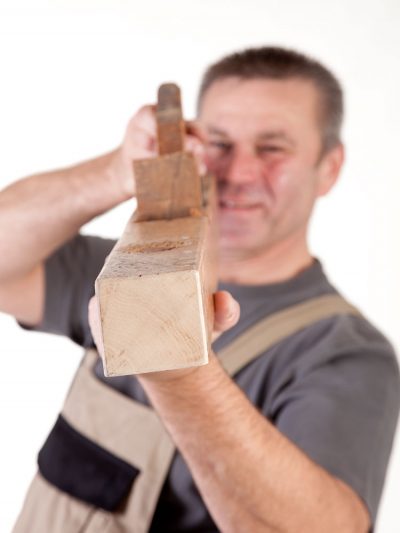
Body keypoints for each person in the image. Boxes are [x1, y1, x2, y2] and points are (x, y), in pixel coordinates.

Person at [0, 46, 399, 533]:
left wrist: (182, 377)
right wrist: (117, 171)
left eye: (272, 149)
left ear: (329, 167)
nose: (238, 173)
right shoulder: (124, 269)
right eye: (221, 144)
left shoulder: (345, 353)